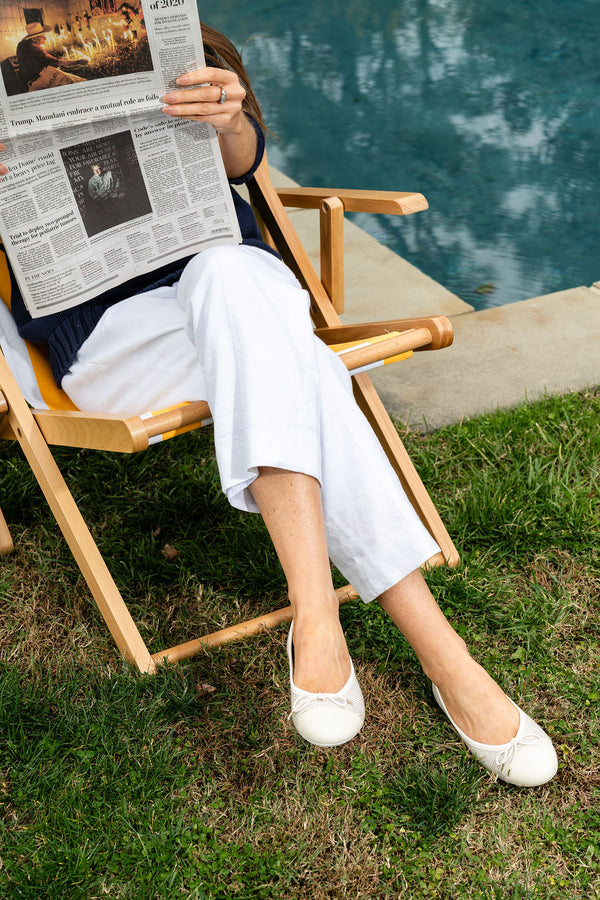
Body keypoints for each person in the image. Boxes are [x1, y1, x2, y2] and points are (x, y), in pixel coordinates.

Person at [0, 24, 557, 786]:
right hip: (112, 336)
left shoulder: (162, 33)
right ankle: (449, 661)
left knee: (229, 274)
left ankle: (317, 615)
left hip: (231, 284)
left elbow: (245, 162)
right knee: (300, 366)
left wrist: (229, 118)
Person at [16, 22, 87, 91]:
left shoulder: (22, 44)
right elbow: (58, 62)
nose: (45, 38)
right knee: (76, 82)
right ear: (34, 39)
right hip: (36, 83)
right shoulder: (35, 49)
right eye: (42, 37)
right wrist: (78, 61)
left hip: (27, 79)